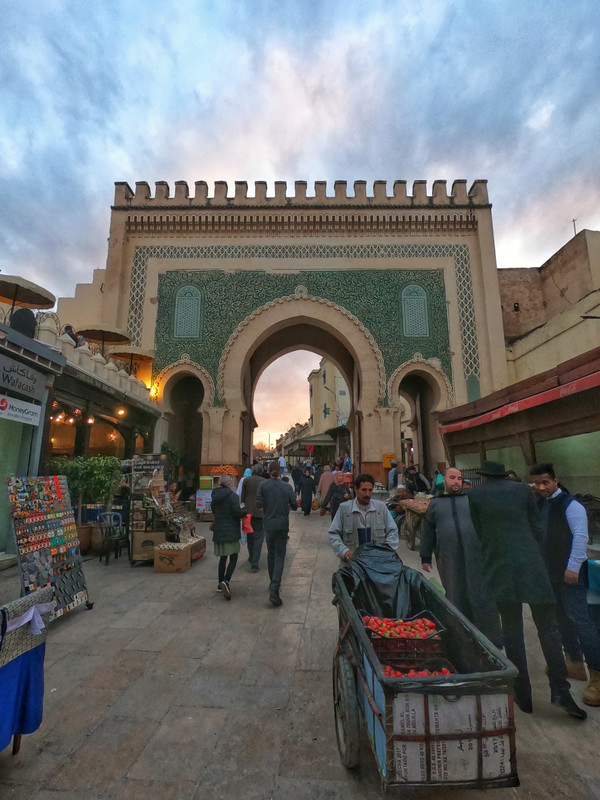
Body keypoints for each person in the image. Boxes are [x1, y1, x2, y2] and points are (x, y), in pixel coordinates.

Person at [468, 461, 586, 719]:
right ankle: (560, 690)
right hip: (531, 566)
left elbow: (479, 532)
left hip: (499, 569)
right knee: (549, 628)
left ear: (484, 476)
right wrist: (529, 550)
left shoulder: (475, 495)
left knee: (512, 631)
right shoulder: (523, 491)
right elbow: (537, 526)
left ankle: (523, 693)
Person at [530, 463, 600, 706]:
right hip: (549, 574)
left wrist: (573, 567)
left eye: (545, 482)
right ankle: (574, 662)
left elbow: (580, 537)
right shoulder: (539, 504)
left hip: (570, 574)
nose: (541, 487)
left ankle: (597, 675)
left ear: (555, 481)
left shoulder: (571, 505)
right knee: (561, 618)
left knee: (581, 621)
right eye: (537, 483)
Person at [420, 468, 502, 646]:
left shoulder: (471, 500)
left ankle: (490, 639)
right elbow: (428, 531)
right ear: (445, 481)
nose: (456, 481)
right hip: (448, 556)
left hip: (476, 555)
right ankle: (459, 638)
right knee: (454, 592)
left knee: (481, 592)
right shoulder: (435, 504)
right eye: (452, 478)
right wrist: (425, 556)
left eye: (459, 478)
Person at [328, 473, 399, 562]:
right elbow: (334, 533)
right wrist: (344, 551)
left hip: (377, 563)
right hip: (352, 564)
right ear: (356, 489)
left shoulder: (381, 508)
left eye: (370, 490)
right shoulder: (344, 509)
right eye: (364, 490)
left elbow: (392, 530)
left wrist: (386, 550)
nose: (367, 494)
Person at [255, 461, 297, 606]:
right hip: (282, 525)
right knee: (280, 556)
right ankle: (275, 590)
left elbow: (258, 504)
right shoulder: (286, 487)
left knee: (271, 554)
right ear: (280, 472)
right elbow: (295, 505)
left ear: (268, 471)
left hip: (268, 524)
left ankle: (272, 583)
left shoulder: (263, 486)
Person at [211, 475, 246, 600]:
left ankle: (220, 584)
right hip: (231, 530)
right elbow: (237, 513)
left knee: (223, 558)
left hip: (219, 530)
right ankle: (226, 580)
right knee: (234, 557)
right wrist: (245, 511)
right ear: (230, 484)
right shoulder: (233, 496)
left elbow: (213, 511)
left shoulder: (214, 495)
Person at [241, 463, 267, 572]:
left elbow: (243, 497)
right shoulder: (264, 482)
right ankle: (255, 563)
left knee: (250, 536)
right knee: (259, 537)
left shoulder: (246, 481)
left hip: (248, 513)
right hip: (260, 513)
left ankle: (251, 557)